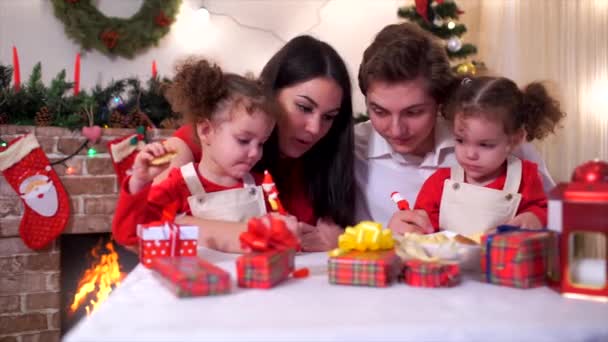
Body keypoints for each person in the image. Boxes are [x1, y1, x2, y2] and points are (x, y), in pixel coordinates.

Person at [155, 36, 356, 252]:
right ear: (271, 94)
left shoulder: (325, 160)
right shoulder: (209, 136)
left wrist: (341, 241)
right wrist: (257, 234)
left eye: (329, 117)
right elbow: (154, 223)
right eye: (304, 108)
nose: (315, 129)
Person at [354, 22, 557, 234]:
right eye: (380, 111)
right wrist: (387, 236)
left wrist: (538, 219)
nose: (396, 130)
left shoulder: (496, 136)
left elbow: (559, 216)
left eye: (413, 112)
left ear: (440, 103)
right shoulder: (350, 148)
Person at [112, 58, 278, 248]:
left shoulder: (261, 187)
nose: (255, 153)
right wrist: (138, 183)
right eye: (243, 140)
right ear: (206, 131)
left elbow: (279, 238)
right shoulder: (177, 186)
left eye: (261, 143)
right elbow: (131, 235)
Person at [411, 76, 565, 237]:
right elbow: (422, 228)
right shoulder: (439, 183)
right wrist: (418, 228)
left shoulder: (526, 178)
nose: (470, 154)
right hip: (448, 261)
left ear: (515, 140)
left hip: (503, 261)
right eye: (460, 140)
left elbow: (547, 212)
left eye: (485, 145)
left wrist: (535, 217)